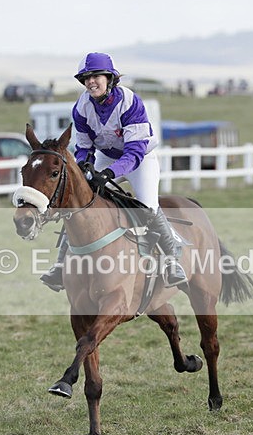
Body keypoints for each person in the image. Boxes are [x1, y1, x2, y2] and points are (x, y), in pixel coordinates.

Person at [40, 52, 187, 291]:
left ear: (110, 78)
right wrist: (85, 164)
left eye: (96, 76)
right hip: (107, 155)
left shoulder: (130, 102)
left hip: (140, 158)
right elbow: (84, 147)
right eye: (86, 78)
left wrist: (108, 173)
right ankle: (60, 266)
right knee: (76, 200)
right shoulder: (81, 107)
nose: (90, 82)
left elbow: (134, 152)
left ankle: (171, 261)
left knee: (148, 205)